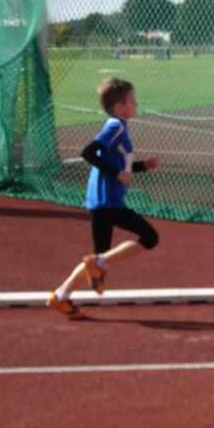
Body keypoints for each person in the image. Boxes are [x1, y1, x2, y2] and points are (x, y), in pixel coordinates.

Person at [47, 77, 160, 319]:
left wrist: (144, 166)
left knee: (98, 258)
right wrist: (118, 174)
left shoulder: (118, 127)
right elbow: (88, 153)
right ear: (119, 107)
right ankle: (94, 265)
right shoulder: (115, 127)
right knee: (150, 237)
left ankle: (60, 296)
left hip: (100, 201)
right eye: (132, 100)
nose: (137, 104)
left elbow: (118, 165)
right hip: (108, 202)